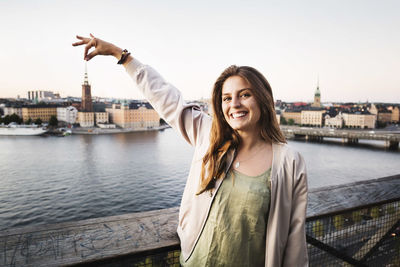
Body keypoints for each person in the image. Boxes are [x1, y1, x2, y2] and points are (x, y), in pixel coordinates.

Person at [73, 34, 309, 267]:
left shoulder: (289, 162)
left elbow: (294, 238)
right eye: (226, 98)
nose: (234, 104)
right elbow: (166, 97)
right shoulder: (209, 134)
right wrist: (121, 55)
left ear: (263, 99)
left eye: (245, 95)